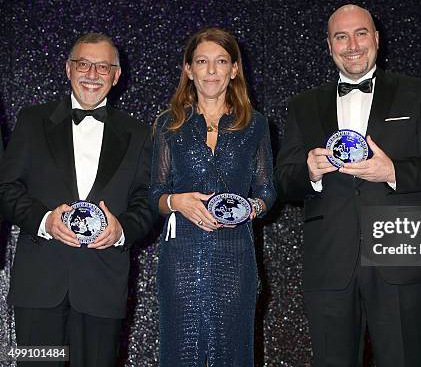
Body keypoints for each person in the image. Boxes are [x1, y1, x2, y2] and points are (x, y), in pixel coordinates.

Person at [275, 4, 421, 366]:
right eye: (341, 36)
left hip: (400, 255)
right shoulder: (302, 105)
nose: (352, 44)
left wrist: (392, 171)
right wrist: (309, 172)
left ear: (377, 39)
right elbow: (283, 181)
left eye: (360, 33)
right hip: (330, 262)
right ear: (329, 45)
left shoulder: (417, 92)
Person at [0, 33, 155, 366]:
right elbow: (6, 189)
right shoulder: (31, 120)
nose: (92, 74)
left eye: (103, 67)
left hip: (102, 289)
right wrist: (45, 221)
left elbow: (147, 201)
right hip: (38, 287)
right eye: (83, 64)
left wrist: (121, 230)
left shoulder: (141, 133)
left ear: (116, 76)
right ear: (68, 69)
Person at [150, 27, 275, 366]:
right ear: (188, 69)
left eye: (220, 61)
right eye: (201, 61)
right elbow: (155, 194)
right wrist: (177, 202)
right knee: (181, 351)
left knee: (233, 352)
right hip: (180, 257)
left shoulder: (255, 124)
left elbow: (267, 190)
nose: (210, 71)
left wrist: (251, 207)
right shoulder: (168, 124)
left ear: (234, 69)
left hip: (235, 255)